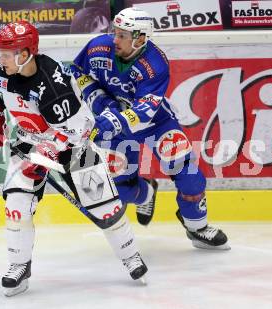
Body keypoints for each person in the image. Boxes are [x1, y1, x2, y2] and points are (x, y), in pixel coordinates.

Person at [0, 20, 148, 297]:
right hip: (29, 142)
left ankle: (130, 256)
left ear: (24, 55)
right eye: (1, 52)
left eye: (7, 53)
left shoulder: (53, 85)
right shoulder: (0, 70)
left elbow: (80, 130)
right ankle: (18, 266)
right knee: (17, 205)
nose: (1, 58)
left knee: (105, 207)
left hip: (74, 146)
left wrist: (48, 151)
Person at [71, 7, 230, 249]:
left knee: (189, 173)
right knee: (117, 188)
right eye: (115, 32)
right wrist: (100, 102)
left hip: (155, 122)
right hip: (112, 122)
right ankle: (145, 193)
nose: (115, 39)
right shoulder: (98, 47)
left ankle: (197, 227)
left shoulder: (155, 63)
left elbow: (144, 112)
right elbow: (78, 72)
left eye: (123, 35)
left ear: (141, 38)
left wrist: (115, 120)